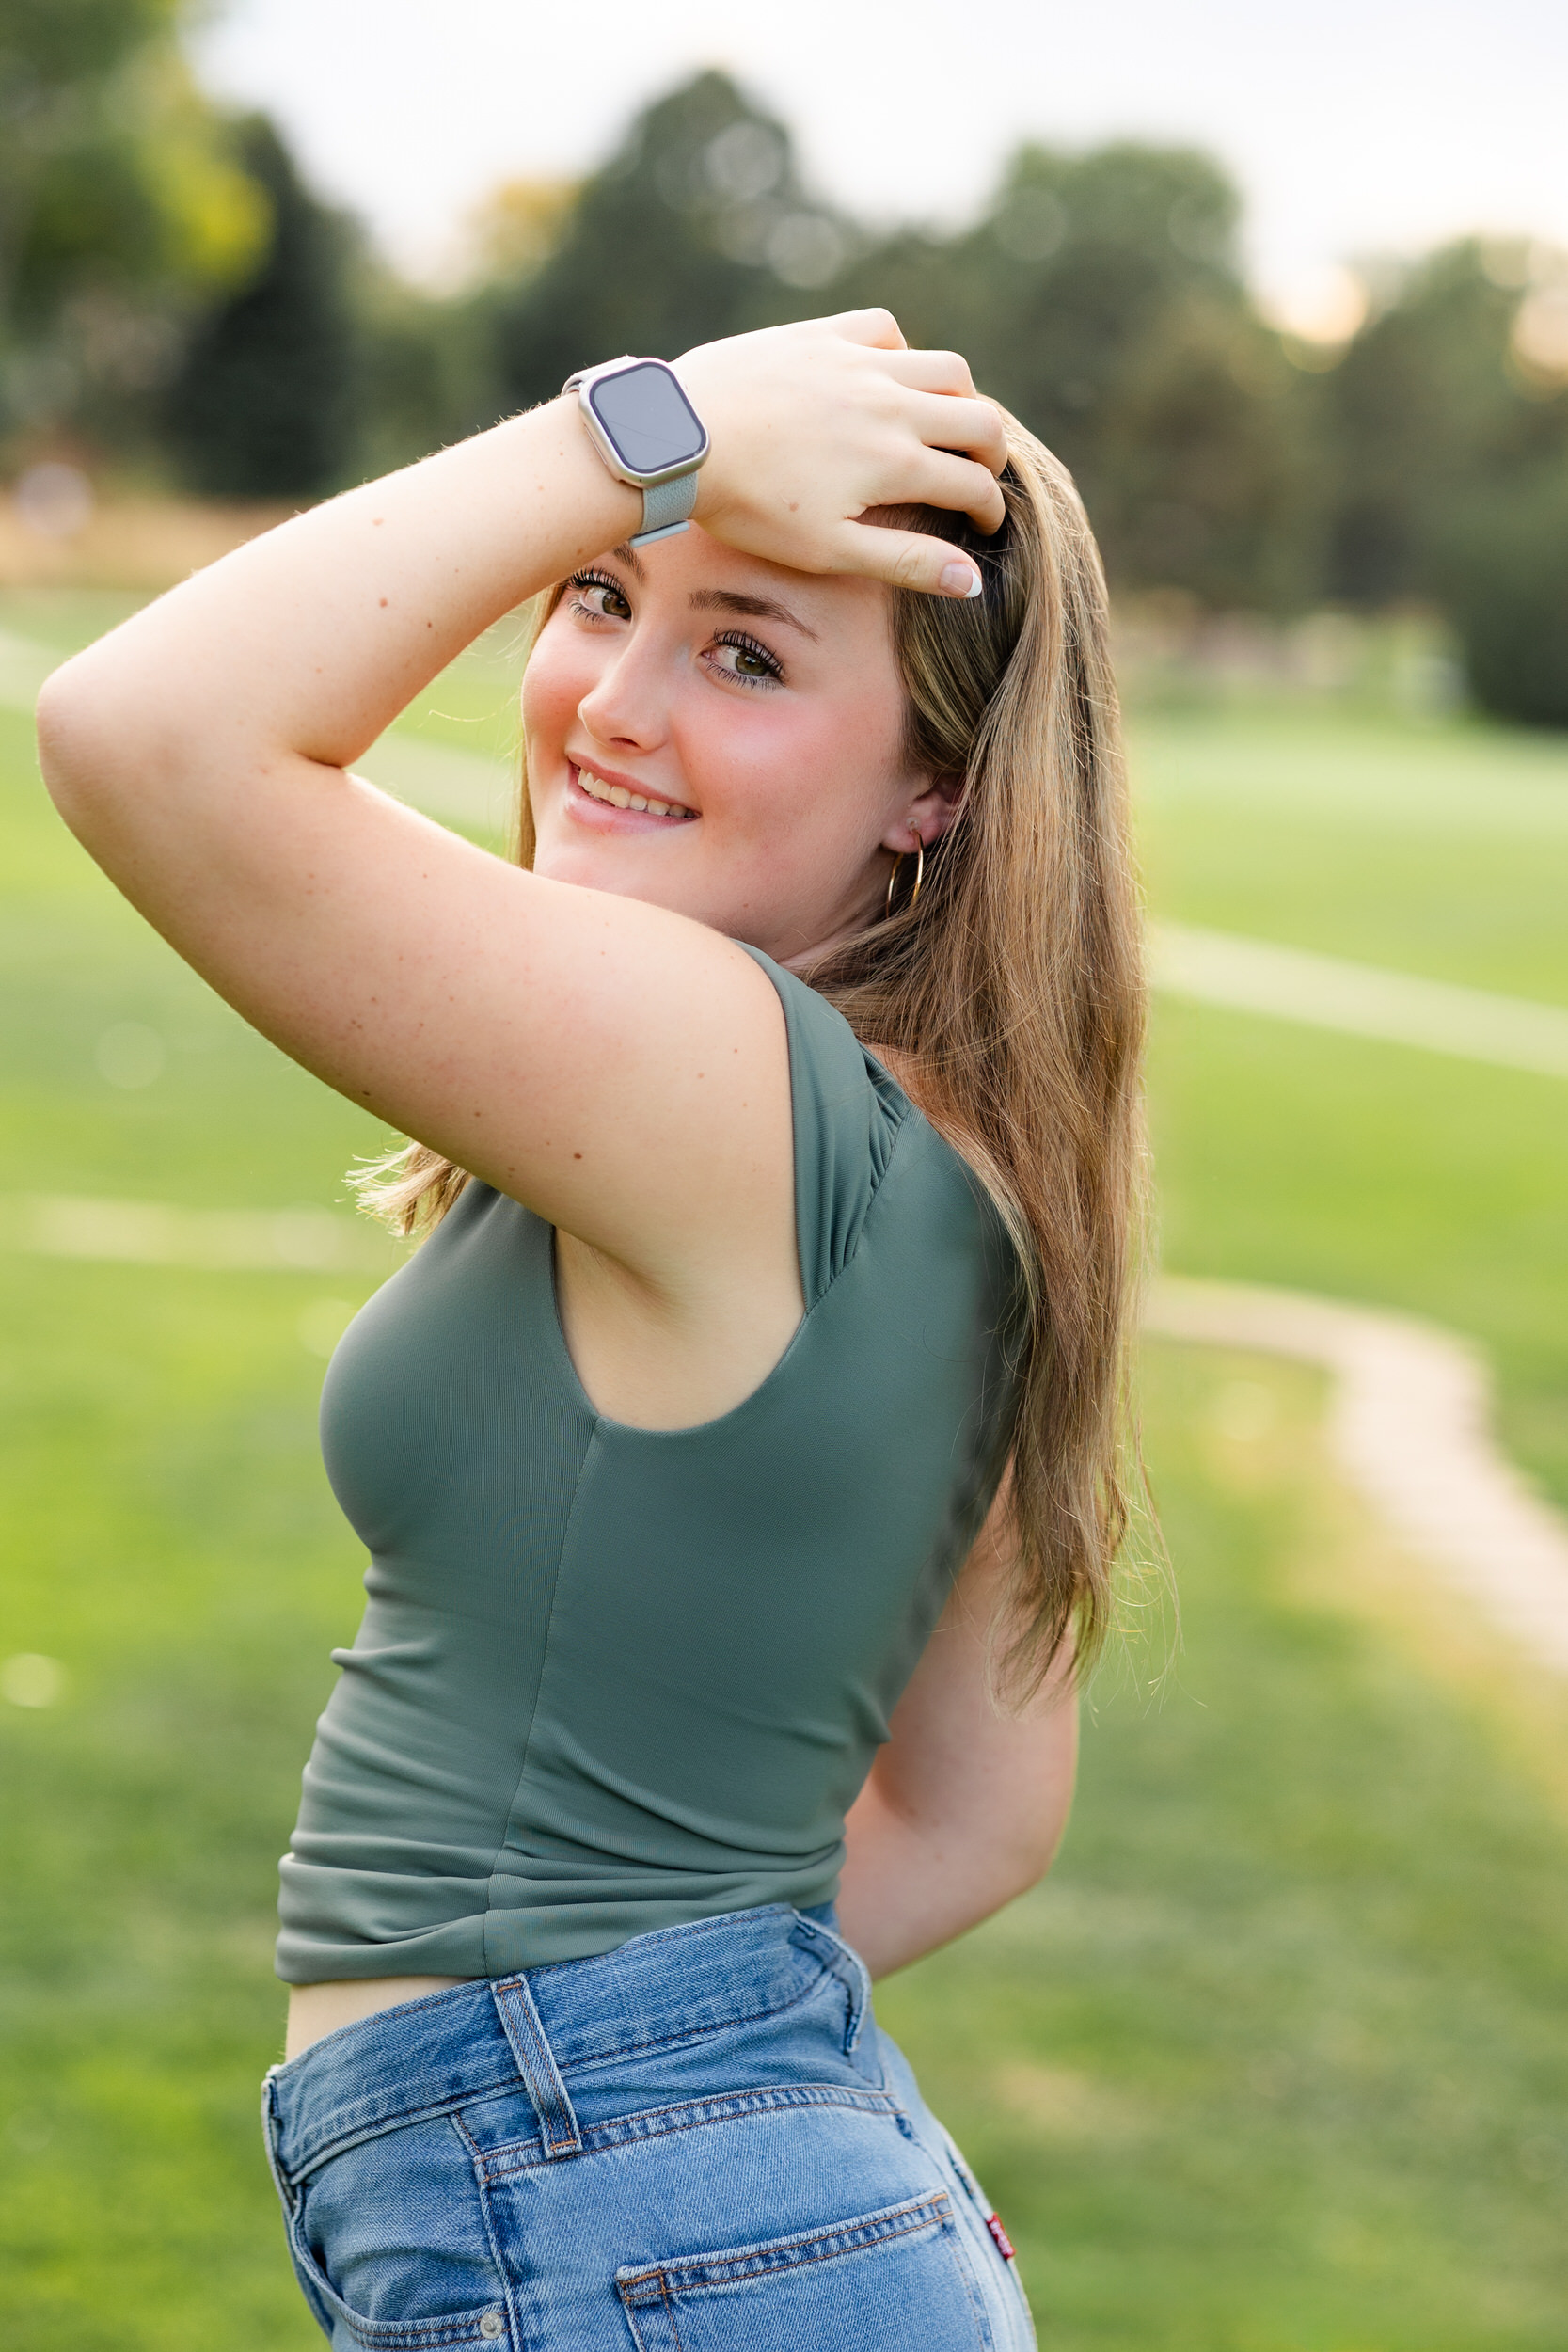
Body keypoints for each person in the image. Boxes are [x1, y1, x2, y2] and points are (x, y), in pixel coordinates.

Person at [37, 310, 1145, 2350]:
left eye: (746, 651)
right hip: (752, 2212)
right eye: (603, 594)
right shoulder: (959, 1161)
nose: (613, 706)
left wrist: (642, 434)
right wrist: (659, 2049)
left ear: (933, 796)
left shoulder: (731, 1076)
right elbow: (985, 1816)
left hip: (639, 2228)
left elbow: (143, 731)